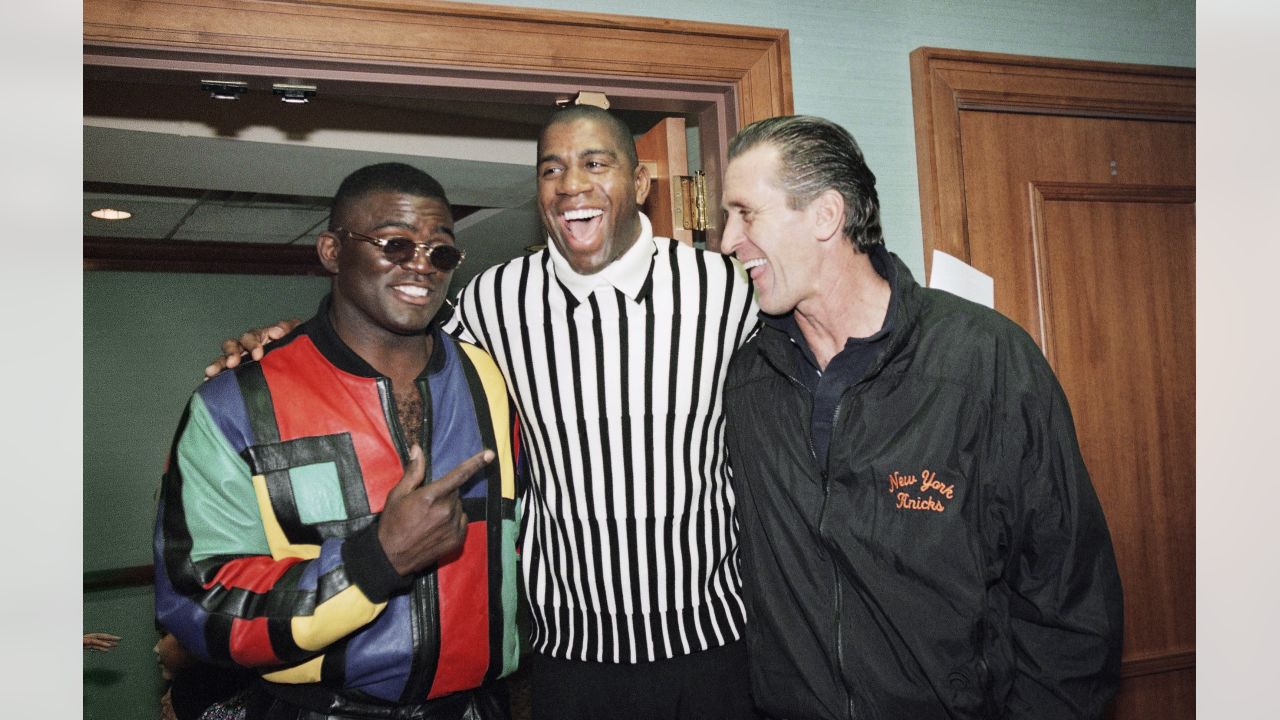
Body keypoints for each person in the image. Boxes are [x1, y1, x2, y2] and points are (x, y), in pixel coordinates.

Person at [206, 106, 761, 720]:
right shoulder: (494, 298)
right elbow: (382, 338)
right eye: (552, 169)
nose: (572, 184)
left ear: (641, 183)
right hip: (568, 653)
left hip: (715, 642)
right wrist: (283, 343)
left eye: (595, 163)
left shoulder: (728, 290)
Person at [717, 115, 1124, 719]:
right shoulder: (750, 380)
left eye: (746, 213)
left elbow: (1069, 601)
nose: (727, 239)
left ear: (826, 215)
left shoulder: (983, 361)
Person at [155, 162, 523, 720]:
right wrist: (374, 562)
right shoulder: (237, 403)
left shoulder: (488, 380)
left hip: (473, 707)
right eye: (396, 244)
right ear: (331, 251)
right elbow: (196, 602)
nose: (421, 266)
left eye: (440, 251)